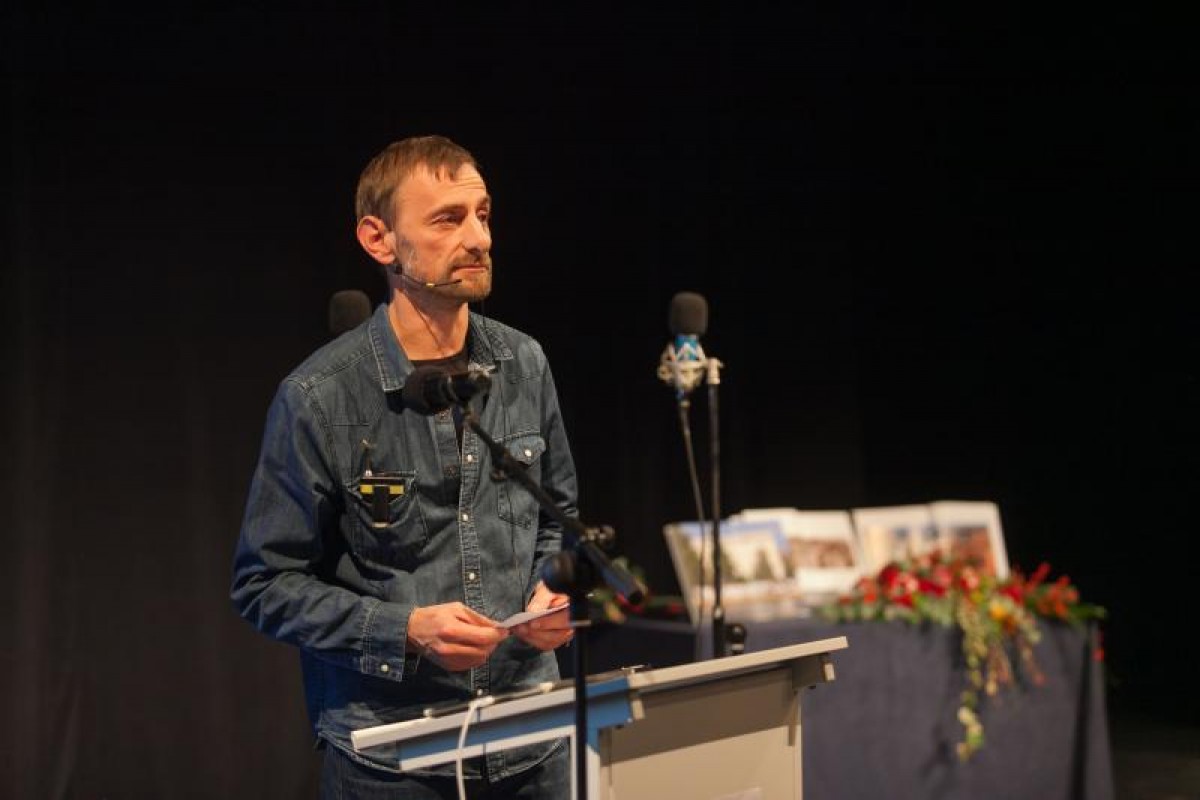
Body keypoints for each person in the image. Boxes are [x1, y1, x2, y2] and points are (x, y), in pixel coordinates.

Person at [230, 135, 576, 799]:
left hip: (530, 739)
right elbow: (265, 584)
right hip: (392, 760)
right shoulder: (320, 396)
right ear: (379, 240)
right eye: (448, 219)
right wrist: (405, 630)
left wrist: (555, 591)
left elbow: (560, 522)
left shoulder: (525, 363)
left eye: (483, 215)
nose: (478, 238)